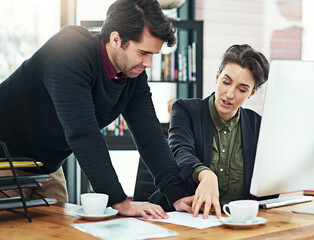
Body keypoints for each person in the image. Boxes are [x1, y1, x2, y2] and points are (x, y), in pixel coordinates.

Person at [0, 0, 193, 219]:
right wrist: (120, 202)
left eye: (153, 56)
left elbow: (148, 131)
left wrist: (177, 194)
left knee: (61, 233)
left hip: (46, 165)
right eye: (143, 53)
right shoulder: (69, 50)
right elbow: (83, 133)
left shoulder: (132, 74)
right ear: (116, 39)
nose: (148, 63)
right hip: (6, 158)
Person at [150, 44, 272, 219]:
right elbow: (180, 150)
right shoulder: (185, 110)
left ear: (252, 93)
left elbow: (265, 180)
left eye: (242, 89)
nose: (230, 94)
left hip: (235, 221)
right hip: (184, 216)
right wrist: (205, 175)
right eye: (226, 82)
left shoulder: (257, 125)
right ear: (217, 76)